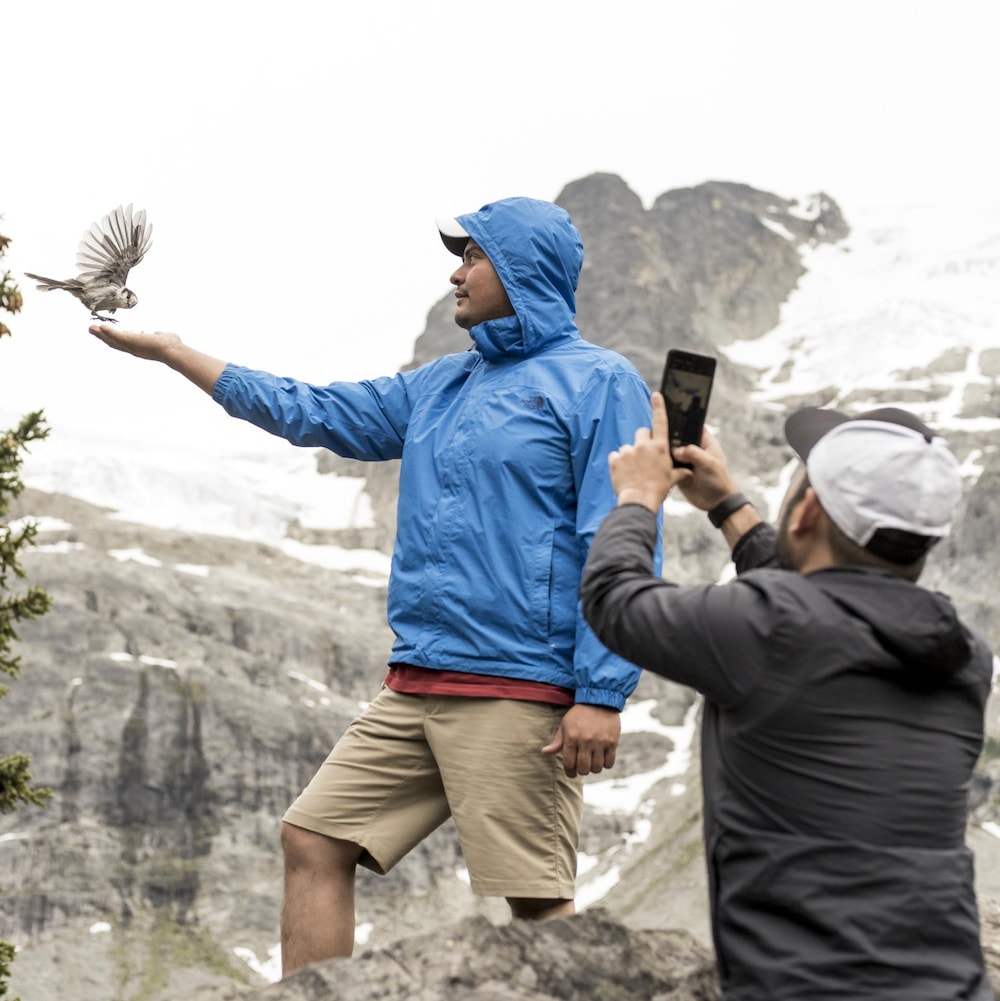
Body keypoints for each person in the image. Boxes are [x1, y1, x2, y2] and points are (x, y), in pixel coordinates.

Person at [89, 196, 657, 975]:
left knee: (534, 904)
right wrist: (178, 354)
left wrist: (601, 691)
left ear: (522, 270)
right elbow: (312, 410)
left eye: (473, 257)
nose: (456, 274)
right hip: (417, 681)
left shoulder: (597, 381)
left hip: (518, 688)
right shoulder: (440, 385)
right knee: (313, 838)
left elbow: (618, 535)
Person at [580, 391, 993, 1000]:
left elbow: (615, 598)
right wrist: (727, 505)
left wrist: (640, 496)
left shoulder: (770, 625)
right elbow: (828, 602)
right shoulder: (963, 654)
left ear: (804, 513)